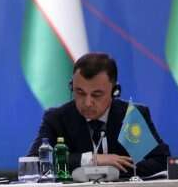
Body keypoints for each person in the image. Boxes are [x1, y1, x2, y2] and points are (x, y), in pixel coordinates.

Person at [27, 52, 170, 178]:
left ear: (115, 91)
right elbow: (35, 162)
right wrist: (91, 160)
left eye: (97, 94)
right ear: (71, 87)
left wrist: (111, 172)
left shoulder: (129, 116)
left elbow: (161, 161)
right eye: (80, 92)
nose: (88, 103)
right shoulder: (57, 119)